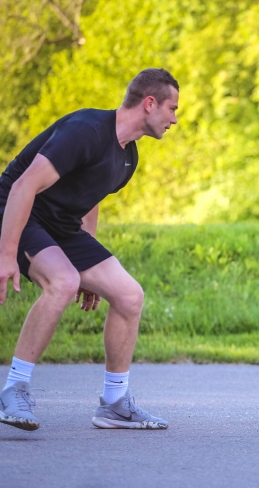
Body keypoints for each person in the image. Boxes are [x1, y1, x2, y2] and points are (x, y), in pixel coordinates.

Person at [0, 68, 179, 431]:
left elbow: (89, 197)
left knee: (129, 296)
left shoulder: (128, 157)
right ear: (149, 104)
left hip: (61, 224)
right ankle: (13, 389)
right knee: (62, 282)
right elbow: (22, 186)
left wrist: (88, 262)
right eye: (172, 108)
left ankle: (114, 402)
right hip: (18, 208)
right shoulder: (86, 131)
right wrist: (6, 255)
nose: (174, 119)